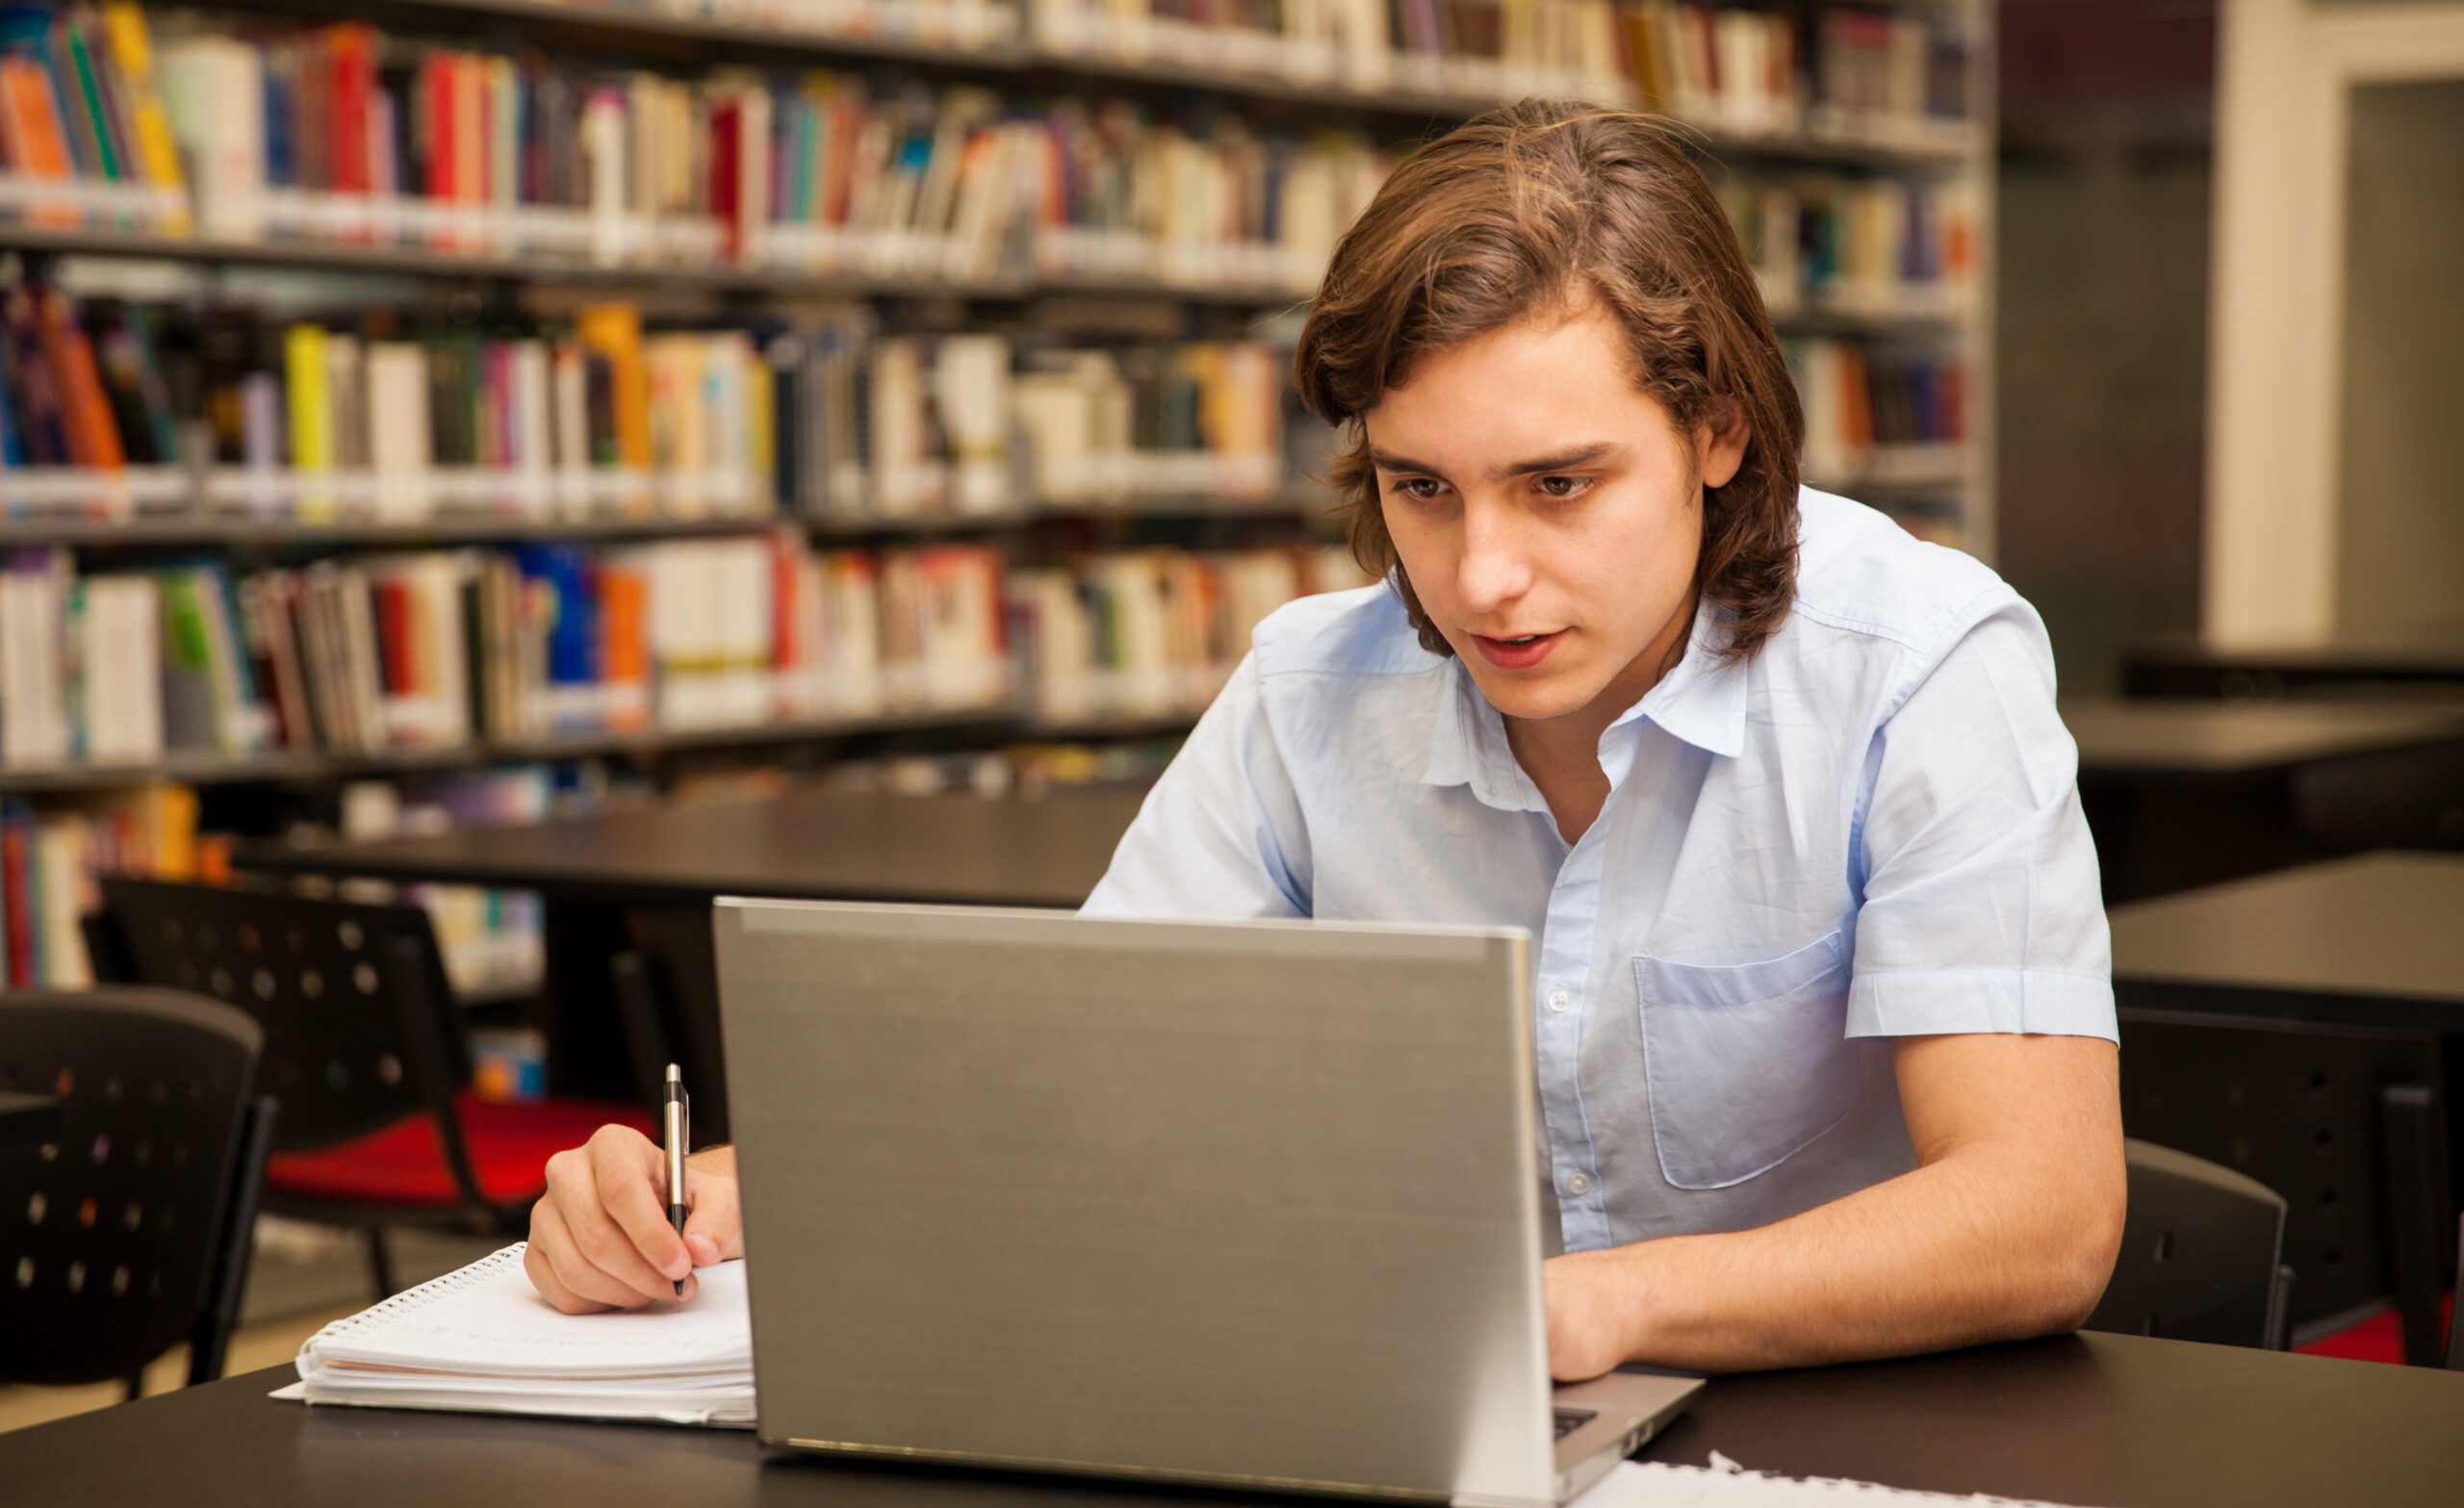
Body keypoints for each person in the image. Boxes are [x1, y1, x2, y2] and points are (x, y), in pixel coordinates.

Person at [524, 99, 2125, 1379]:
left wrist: (1600, 1307)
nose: (1482, 577)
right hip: (1425, 1433)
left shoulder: (1921, 665)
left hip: (1852, 1454)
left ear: (1717, 432)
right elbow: (1080, 1082)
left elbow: (2042, 1217)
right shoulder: (1311, 688)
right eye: (1423, 488)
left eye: (1559, 484)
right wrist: (722, 1194)